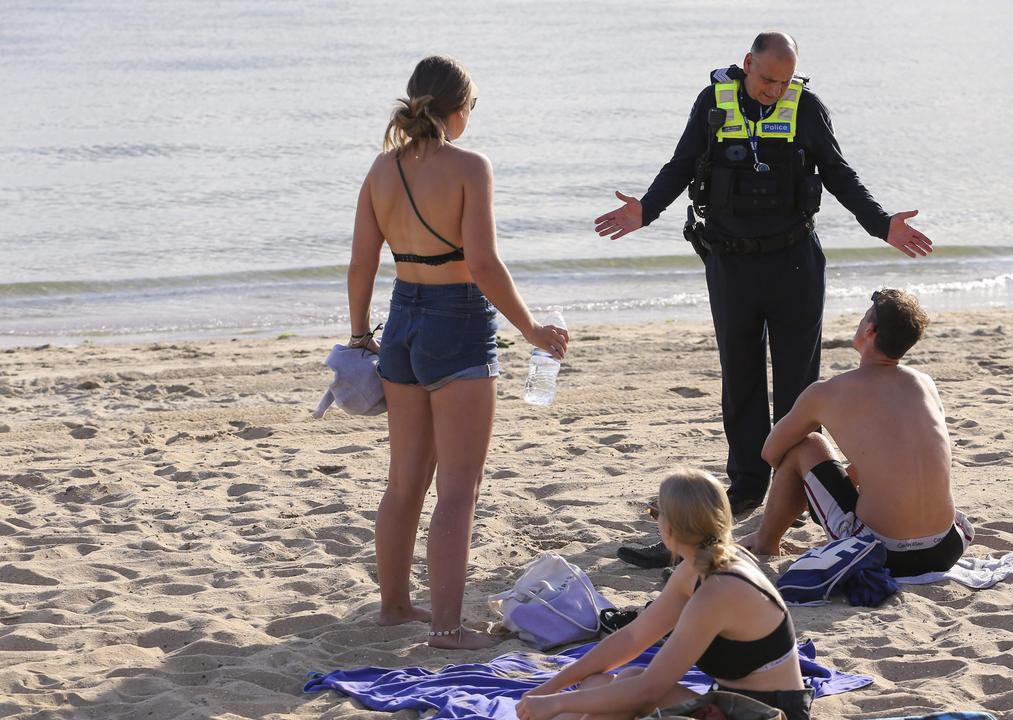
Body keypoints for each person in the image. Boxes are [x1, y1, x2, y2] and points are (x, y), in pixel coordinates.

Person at [600, 32, 934, 567]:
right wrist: (646, 209)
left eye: (783, 81)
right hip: (730, 262)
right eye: (765, 79)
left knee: (798, 382)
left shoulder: (806, 107)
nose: (774, 90)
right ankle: (748, 483)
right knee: (742, 373)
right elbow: (682, 164)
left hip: (794, 261)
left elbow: (838, 173)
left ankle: (792, 482)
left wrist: (880, 224)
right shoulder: (713, 102)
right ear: (747, 63)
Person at [347, 55, 569, 648]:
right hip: (458, 322)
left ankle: (395, 606)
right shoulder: (471, 166)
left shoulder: (382, 169)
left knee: (404, 482)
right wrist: (531, 331)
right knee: (458, 487)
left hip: (401, 323)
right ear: (458, 109)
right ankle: (446, 626)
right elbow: (485, 263)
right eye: (472, 105)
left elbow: (363, 262)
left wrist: (357, 334)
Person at [515, 469, 813, 720]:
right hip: (736, 705)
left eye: (654, 511)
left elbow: (649, 691)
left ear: (669, 528)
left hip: (769, 714)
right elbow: (632, 638)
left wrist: (557, 702)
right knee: (616, 681)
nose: (654, 519)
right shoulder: (704, 564)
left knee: (607, 702)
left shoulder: (716, 592)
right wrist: (547, 689)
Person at [739, 289, 971, 577]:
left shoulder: (827, 393)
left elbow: (771, 452)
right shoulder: (924, 383)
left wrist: (817, 485)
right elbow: (895, 455)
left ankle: (765, 541)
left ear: (870, 329)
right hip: (946, 547)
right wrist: (848, 477)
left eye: (863, 317)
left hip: (884, 553)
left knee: (806, 444)